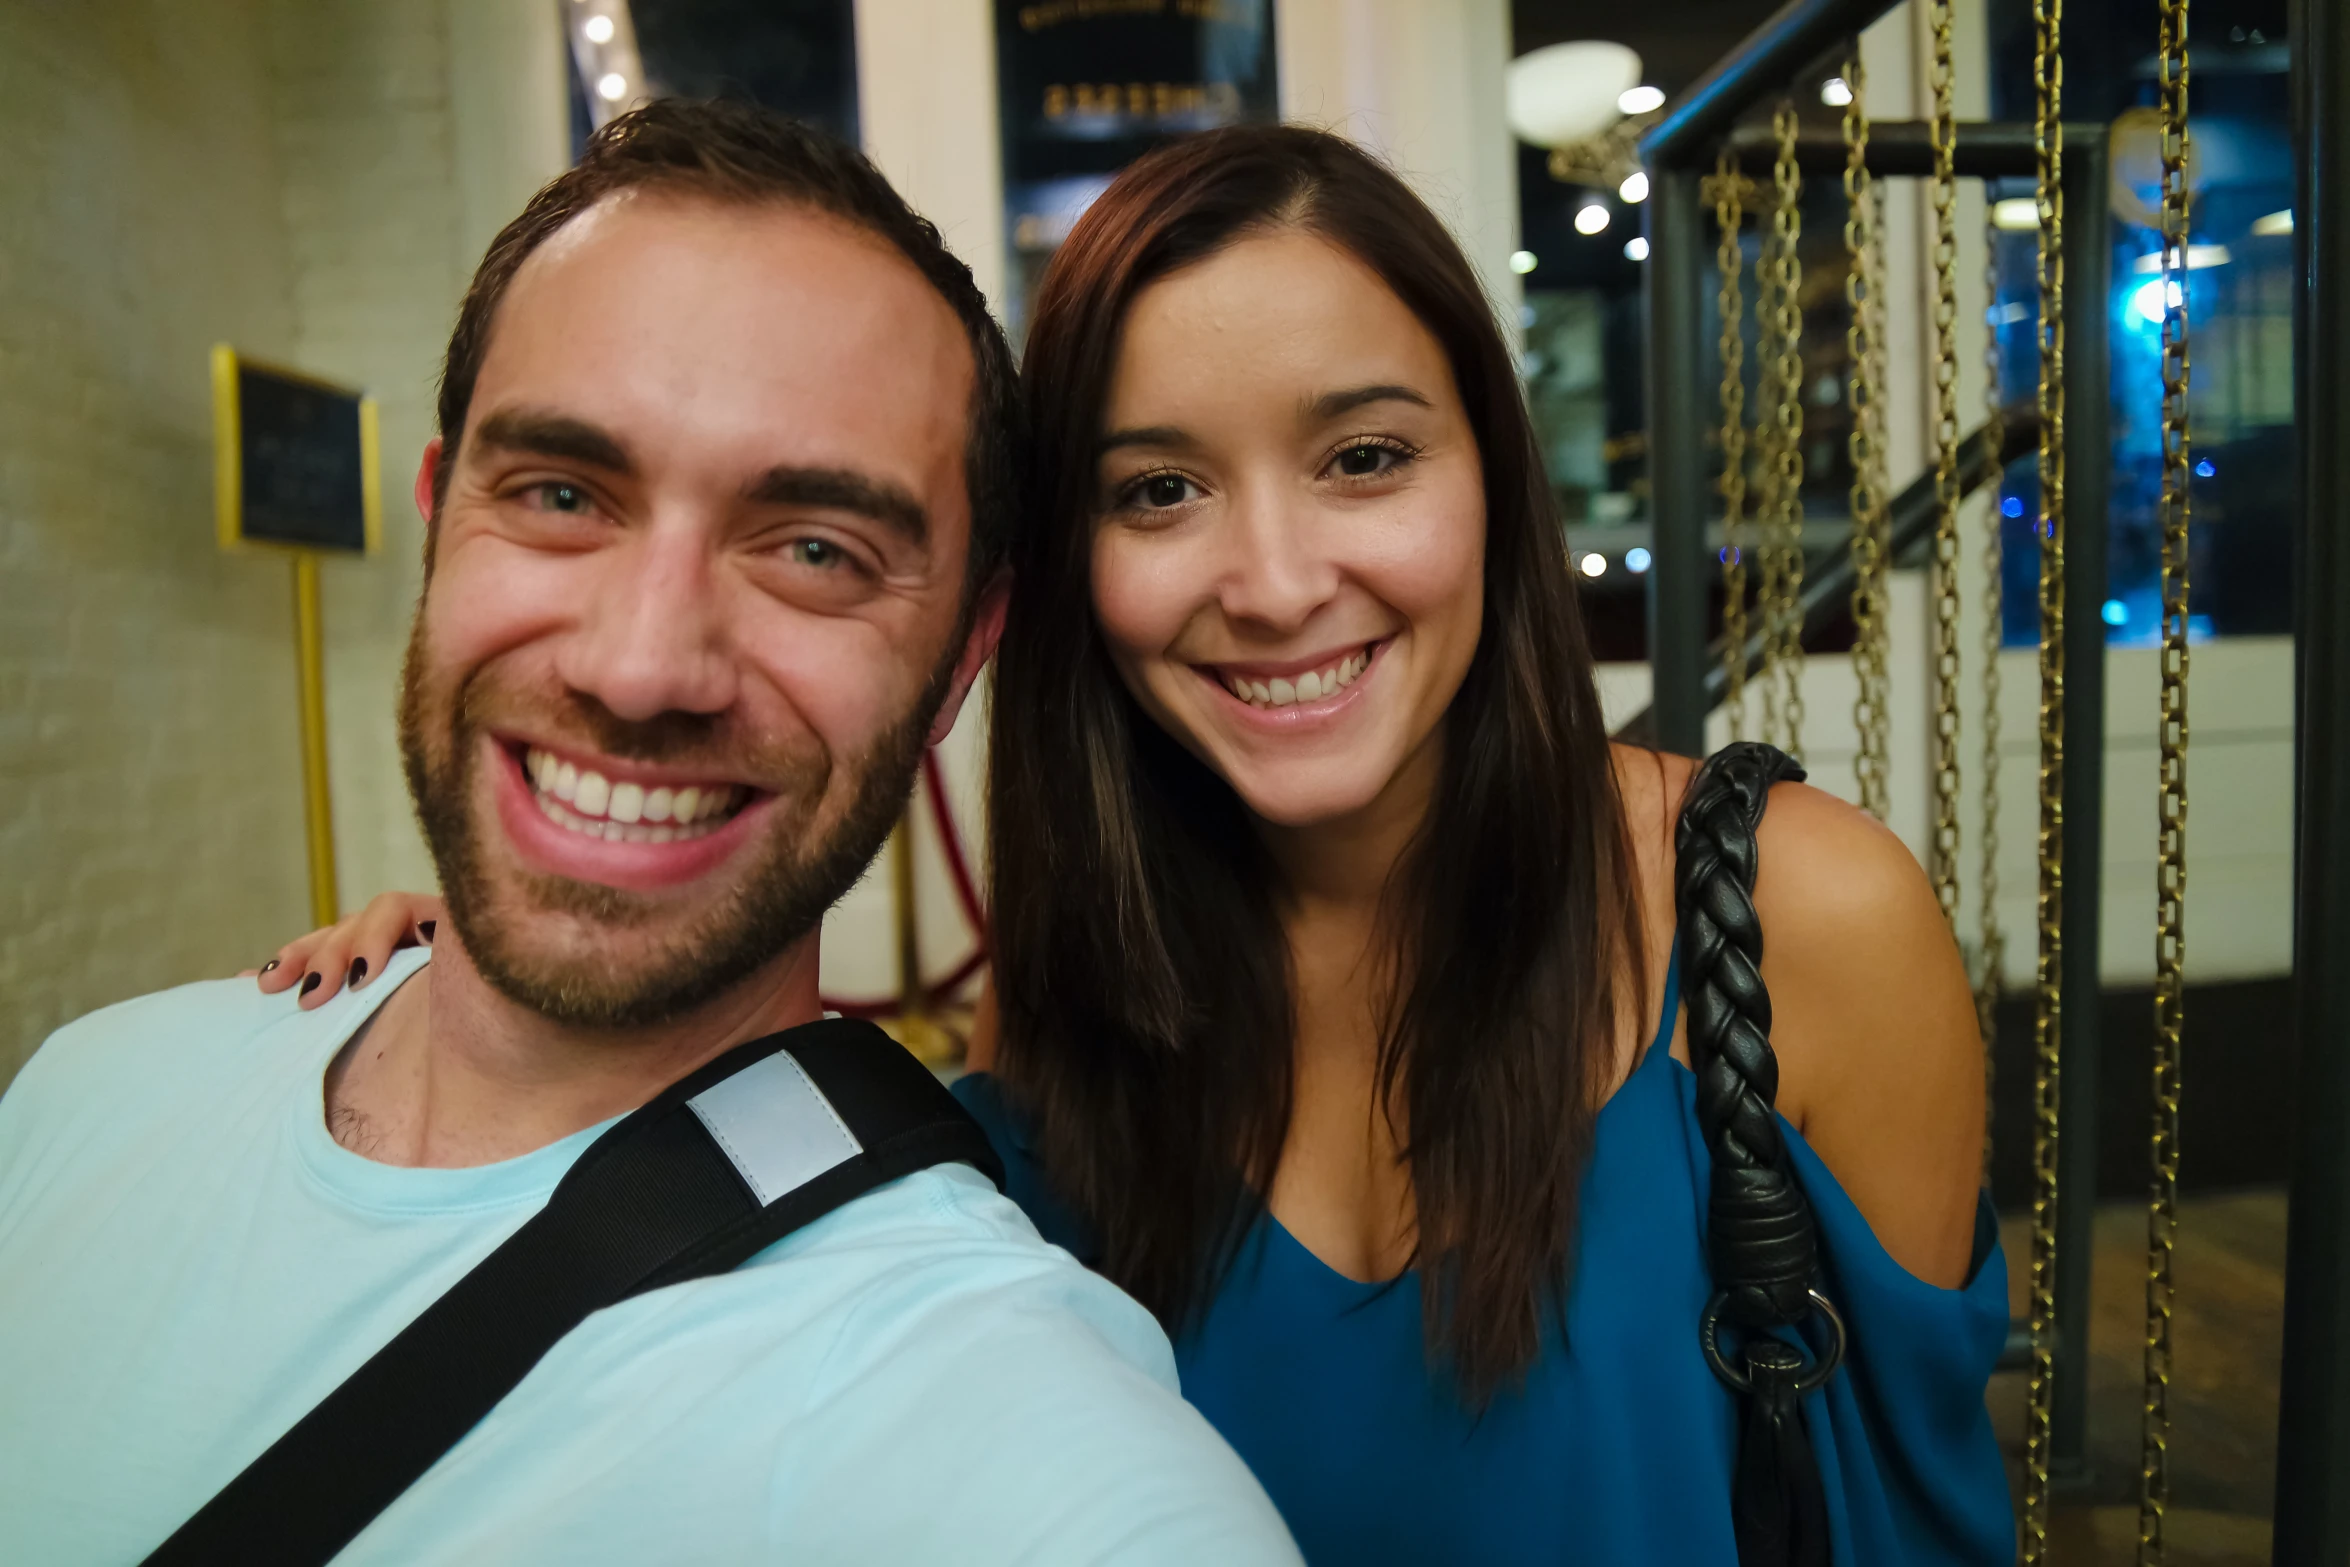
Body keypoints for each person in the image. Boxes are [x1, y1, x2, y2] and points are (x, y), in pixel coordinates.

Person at [273, 126, 2015, 1565]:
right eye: (1157, 490)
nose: (1268, 580)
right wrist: (539, 940)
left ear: (1490, 473)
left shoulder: (1796, 919)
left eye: (1362, 455)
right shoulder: (1081, 1003)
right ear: (1060, 586)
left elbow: (1931, 1521)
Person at [0, 102, 1300, 1566]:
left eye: (814, 549)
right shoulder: (78, 1093)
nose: (639, 665)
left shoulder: (1008, 1446)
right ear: (442, 526)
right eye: (562, 494)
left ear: (959, 654)